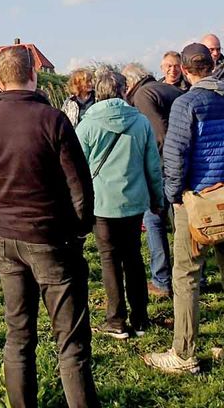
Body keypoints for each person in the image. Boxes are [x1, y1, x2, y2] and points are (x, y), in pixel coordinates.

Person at [0, 45, 100, 408]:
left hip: (6, 237)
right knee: (71, 342)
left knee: (18, 335)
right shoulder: (53, 120)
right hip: (51, 238)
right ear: (33, 75)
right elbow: (80, 187)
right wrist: (80, 229)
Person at [144, 43, 224, 376]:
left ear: (186, 69)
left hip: (196, 201)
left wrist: (173, 194)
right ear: (212, 65)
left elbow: (176, 154)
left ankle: (184, 352)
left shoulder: (186, 103)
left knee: (186, 275)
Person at [77, 69, 163, 338]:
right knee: (134, 258)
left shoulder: (87, 125)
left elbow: (77, 168)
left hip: (101, 203)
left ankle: (116, 319)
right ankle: (140, 318)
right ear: (124, 90)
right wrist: (157, 199)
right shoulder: (141, 122)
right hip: (134, 201)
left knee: (109, 260)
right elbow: (153, 166)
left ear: (97, 92)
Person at [121, 62, 184, 298]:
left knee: (154, 221)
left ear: (129, 83)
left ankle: (162, 280)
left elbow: (159, 135)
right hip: (182, 163)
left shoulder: (143, 96)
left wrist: (153, 169)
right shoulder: (165, 89)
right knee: (182, 223)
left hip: (164, 167)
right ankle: (195, 275)